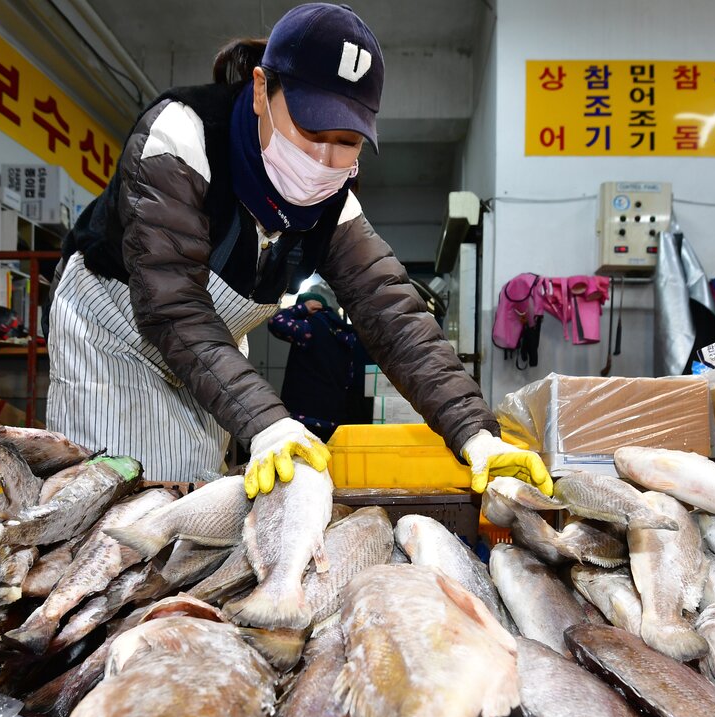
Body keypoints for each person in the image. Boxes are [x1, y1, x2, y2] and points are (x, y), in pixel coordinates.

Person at [48, 2, 551, 497]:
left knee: (194, 499)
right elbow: (172, 307)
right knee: (114, 499)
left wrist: (477, 433)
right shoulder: (182, 136)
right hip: (115, 341)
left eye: (348, 141)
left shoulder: (333, 201)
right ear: (263, 90)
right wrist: (269, 422)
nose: (325, 159)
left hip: (208, 359)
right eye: (311, 131)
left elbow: (397, 322)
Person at [266, 289, 371, 443]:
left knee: (304, 464)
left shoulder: (309, 328)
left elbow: (276, 322)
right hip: (336, 418)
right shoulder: (347, 334)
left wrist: (301, 308)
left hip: (305, 415)